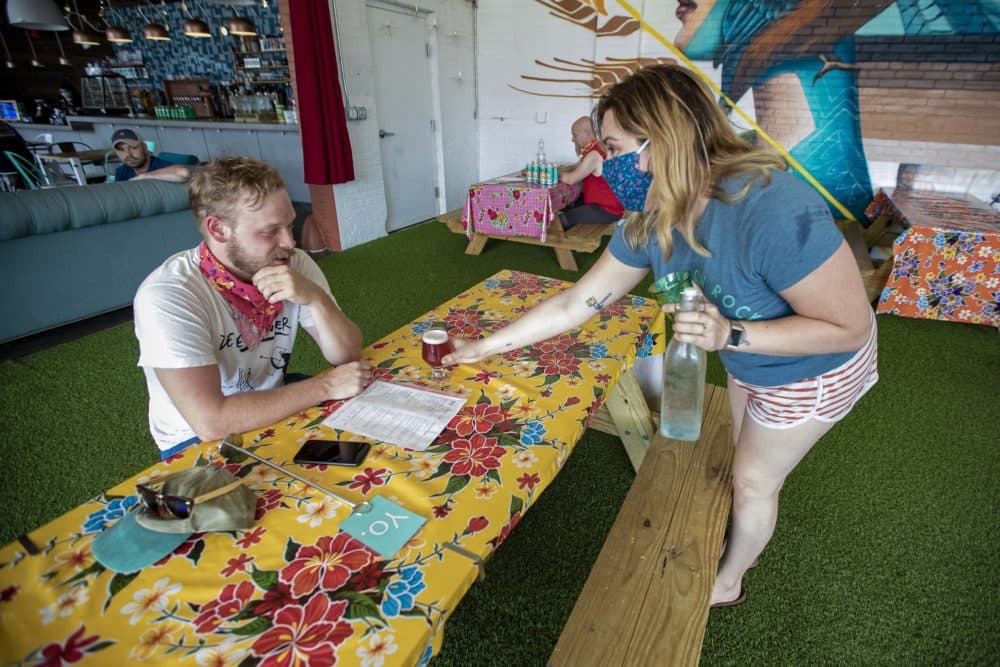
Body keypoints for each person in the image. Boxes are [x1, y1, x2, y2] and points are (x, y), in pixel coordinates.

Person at [442, 64, 877, 608]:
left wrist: (733, 334)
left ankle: (729, 579)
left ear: (665, 138)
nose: (607, 162)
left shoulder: (771, 205)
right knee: (746, 450)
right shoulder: (651, 216)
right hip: (748, 357)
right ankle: (741, 515)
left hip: (813, 369)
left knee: (753, 481)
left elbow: (847, 327)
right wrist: (482, 347)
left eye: (615, 147)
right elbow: (579, 302)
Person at [133, 156, 371, 458]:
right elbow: (211, 422)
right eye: (270, 231)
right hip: (194, 440)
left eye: (289, 224)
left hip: (274, 398)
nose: (290, 242)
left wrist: (315, 298)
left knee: (373, 441)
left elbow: (347, 355)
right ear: (218, 230)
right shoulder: (168, 295)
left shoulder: (291, 261)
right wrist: (324, 386)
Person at [557, 116, 624, 230]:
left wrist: (550, 174)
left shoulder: (594, 155)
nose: (573, 139)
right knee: (569, 205)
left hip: (606, 209)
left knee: (562, 220)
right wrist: (560, 169)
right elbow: (576, 167)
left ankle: (564, 244)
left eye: (575, 134)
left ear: (587, 134)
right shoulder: (595, 148)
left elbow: (571, 179)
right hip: (602, 205)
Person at [111, 128, 191, 183]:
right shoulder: (121, 172)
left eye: (133, 148)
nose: (128, 154)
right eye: (122, 150)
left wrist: (144, 176)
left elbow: (184, 172)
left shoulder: (160, 165)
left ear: (144, 147)